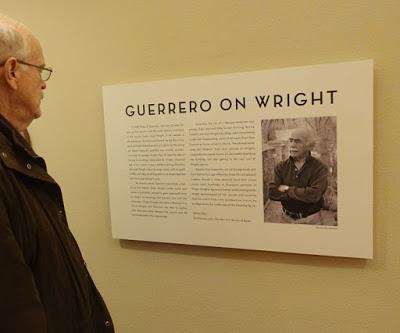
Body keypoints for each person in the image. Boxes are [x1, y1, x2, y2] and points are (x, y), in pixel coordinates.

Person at [0, 15, 114, 332]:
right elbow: (13, 308)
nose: (44, 82)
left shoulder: (17, 149)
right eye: (40, 69)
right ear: (12, 72)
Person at [268, 127, 329, 225]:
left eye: (297, 141)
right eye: (291, 141)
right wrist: (303, 192)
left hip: (312, 220)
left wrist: (287, 189)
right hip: (285, 219)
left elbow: (314, 195)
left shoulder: (320, 168)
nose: (292, 145)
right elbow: (272, 193)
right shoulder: (280, 167)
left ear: (309, 145)